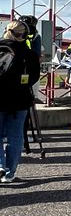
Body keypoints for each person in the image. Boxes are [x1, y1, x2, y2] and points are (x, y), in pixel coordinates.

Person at [0, 20, 41, 184]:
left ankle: (0, 165)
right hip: (20, 100)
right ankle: (10, 172)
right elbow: (34, 77)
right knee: (15, 137)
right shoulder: (28, 53)